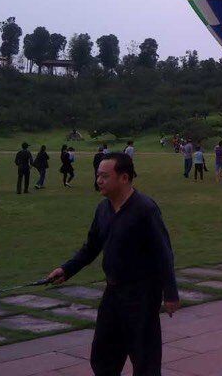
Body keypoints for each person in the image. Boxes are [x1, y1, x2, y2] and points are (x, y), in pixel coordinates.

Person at [47, 152, 179, 375]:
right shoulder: (103, 209)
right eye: (98, 175)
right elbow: (91, 247)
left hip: (142, 296)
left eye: (105, 176)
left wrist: (171, 293)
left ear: (124, 178)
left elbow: (163, 253)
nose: (99, 181)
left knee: (145, 360)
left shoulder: (145, 209)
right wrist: (67, 269)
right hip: (113, 292)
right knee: (102, 357)